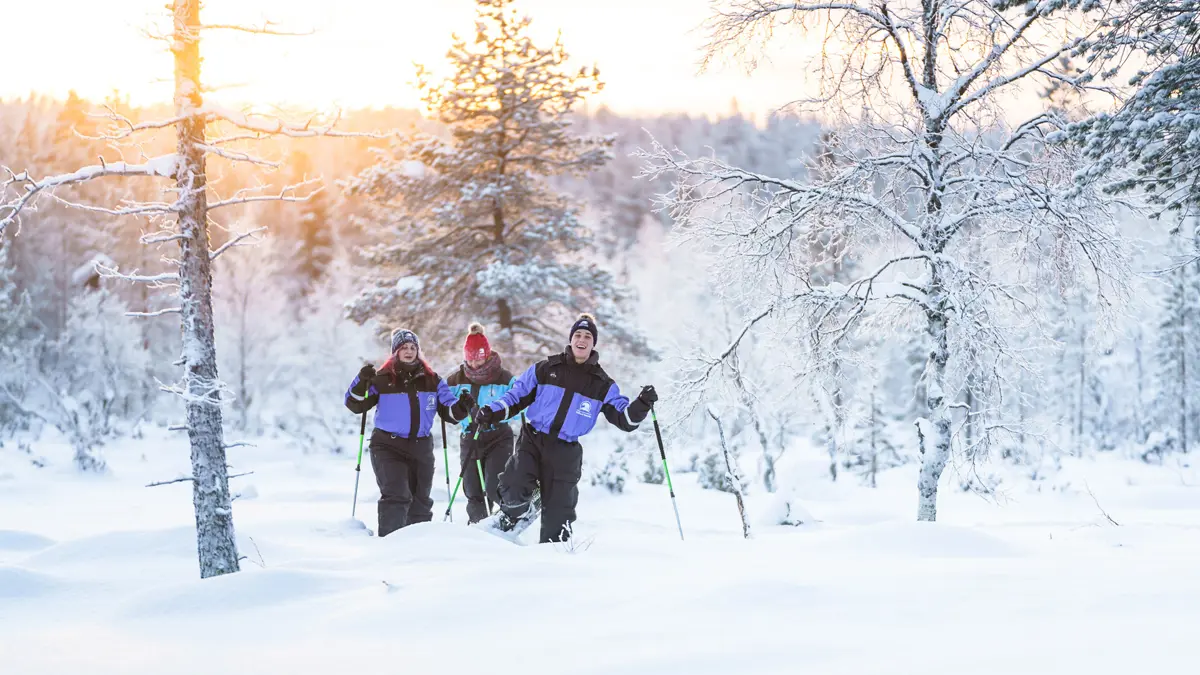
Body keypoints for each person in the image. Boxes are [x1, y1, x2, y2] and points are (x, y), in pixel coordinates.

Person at [475, 313, 658, 543]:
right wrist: (491, 411)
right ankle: (510, 518)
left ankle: (554, 564)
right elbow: (516, 396)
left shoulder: (602, 384)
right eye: (578, 335)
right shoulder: (546, 368)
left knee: (558, 523)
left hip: (565, 451)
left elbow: (625, 420)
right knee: (514, 488)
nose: (582, 339)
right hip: (534, 440)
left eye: (588, 336)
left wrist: (642, 403)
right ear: (571, 339)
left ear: (593, 344)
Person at [345, 328, 476, 537]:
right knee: (397, 495)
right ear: (395, 351)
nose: (409, 351)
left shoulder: (433, 380)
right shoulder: (382, 379)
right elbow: (355, 404)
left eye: (413, 347)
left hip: (421, 446)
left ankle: (418, 549)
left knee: (421, 501)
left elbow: (450, 412)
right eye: (404, 347)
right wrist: (361, 381)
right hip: (388, 446)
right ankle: (390, 544)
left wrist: (462, 406)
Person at [444, 323, 518, 523]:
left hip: (498, 436)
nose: (474, 364)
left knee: (495, 484)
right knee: (472, 488)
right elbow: (446, 410)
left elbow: (519, 408)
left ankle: (505, 521)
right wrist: (460, 409)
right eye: (470, 359)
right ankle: (478, 527)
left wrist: (496, 415)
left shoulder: (504, 378)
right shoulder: (455, 380)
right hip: (470, 437)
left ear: (487, 355)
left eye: (478, 358)